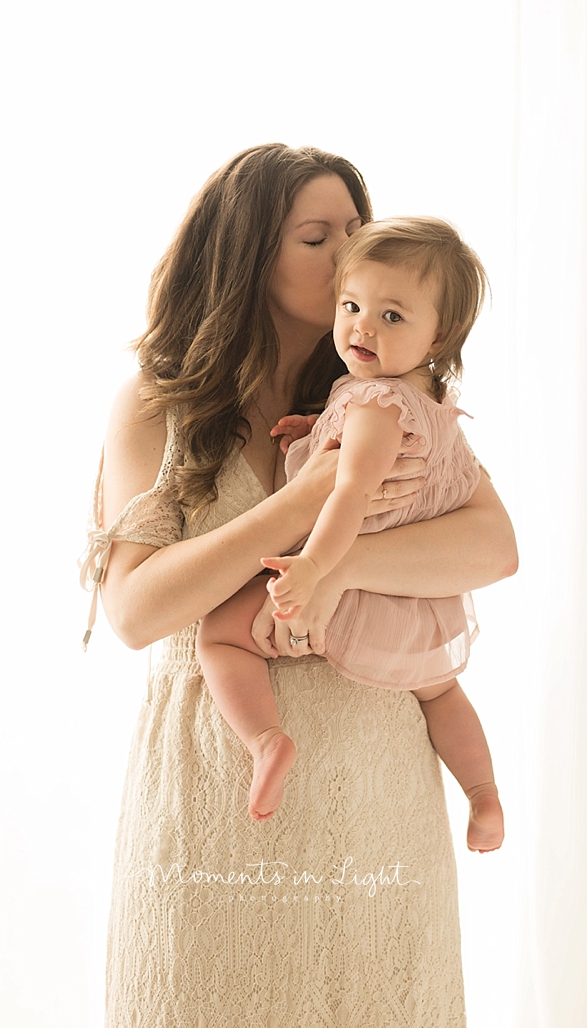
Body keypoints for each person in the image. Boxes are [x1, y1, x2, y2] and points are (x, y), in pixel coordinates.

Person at [80, 144, 518, 1027]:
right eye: (317, 236)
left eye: (355, 229)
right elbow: (134, 612)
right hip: (213, 784)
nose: (347, 252)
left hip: (375, 785)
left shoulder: (384, 393)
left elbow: (494, 547)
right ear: (247, 253)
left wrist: (342, 562)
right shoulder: (158, 400)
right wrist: (310, 503)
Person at [196, 216, 504, 856]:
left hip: (349, 593)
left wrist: (312, 567)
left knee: (221, 632)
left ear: (437, 334)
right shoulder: (434, 406)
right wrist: (313, 430)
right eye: (352, 305)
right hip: (416, 602)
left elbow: (350, 492)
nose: (362, 326)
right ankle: (483, 796)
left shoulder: (372, 405)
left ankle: (265, 739)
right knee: (441, 690)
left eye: (392, 317)